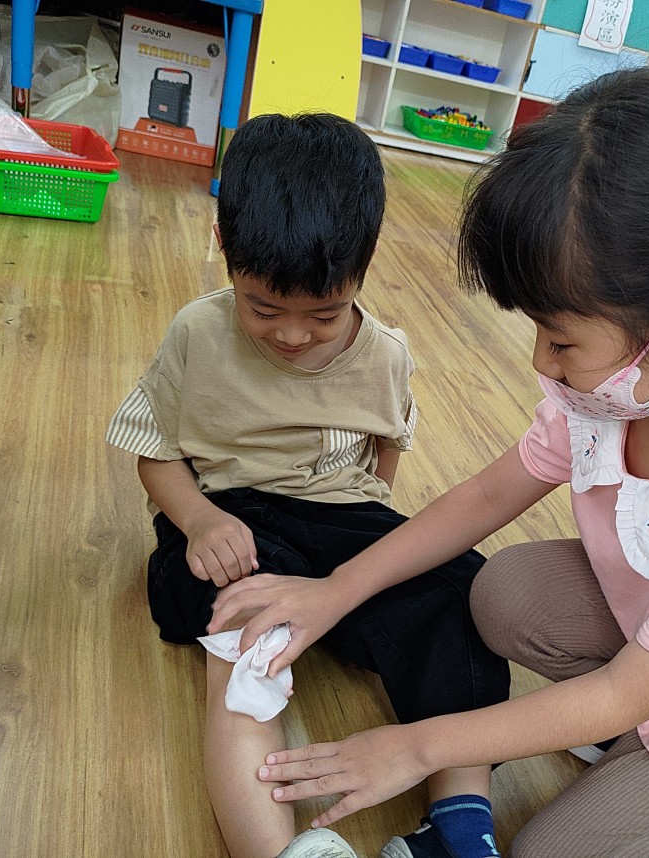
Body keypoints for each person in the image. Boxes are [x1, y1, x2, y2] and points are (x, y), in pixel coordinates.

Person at [208, 68, 649, 858]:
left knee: (546, 850)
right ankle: (647, 758)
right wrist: (336, 590)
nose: (543, 361)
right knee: (505, 593)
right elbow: (486, 495)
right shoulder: (618, 392)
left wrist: (417, 747)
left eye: (561, 338)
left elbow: (619, 691)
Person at [106, 112, 510, 858]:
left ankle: (459, 819)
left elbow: (384, 456)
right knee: (243, 641)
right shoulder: (197, 333)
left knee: (459, 597)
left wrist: (375, 535)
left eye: (324, 314)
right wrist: (197, 520)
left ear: (364, 267)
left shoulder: (386, 354)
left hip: (338, 511)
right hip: (232, 516)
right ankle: (274, 849)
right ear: (225, 247)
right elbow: (151, 449)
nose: (293, 335)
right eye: (264, 309)